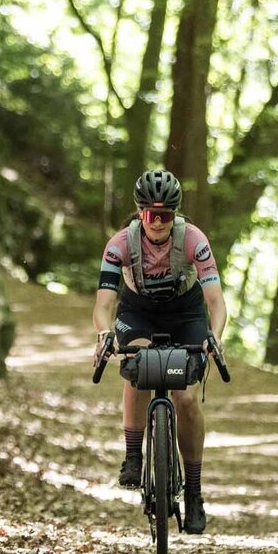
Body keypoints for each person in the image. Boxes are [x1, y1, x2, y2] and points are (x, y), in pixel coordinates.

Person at [93, 168, 228, 534]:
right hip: (138, 312)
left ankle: (195, 492)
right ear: (140, 213)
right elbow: (104, 304)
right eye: (151, 215)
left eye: (165, 215)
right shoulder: (120, 244)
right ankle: (133, 455)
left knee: (186, 398)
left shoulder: (193, 240)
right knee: (138, 366)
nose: (158, 222)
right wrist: (105, 333)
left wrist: (214, 337)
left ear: (175, 215)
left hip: (186, 312)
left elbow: (216, 302)